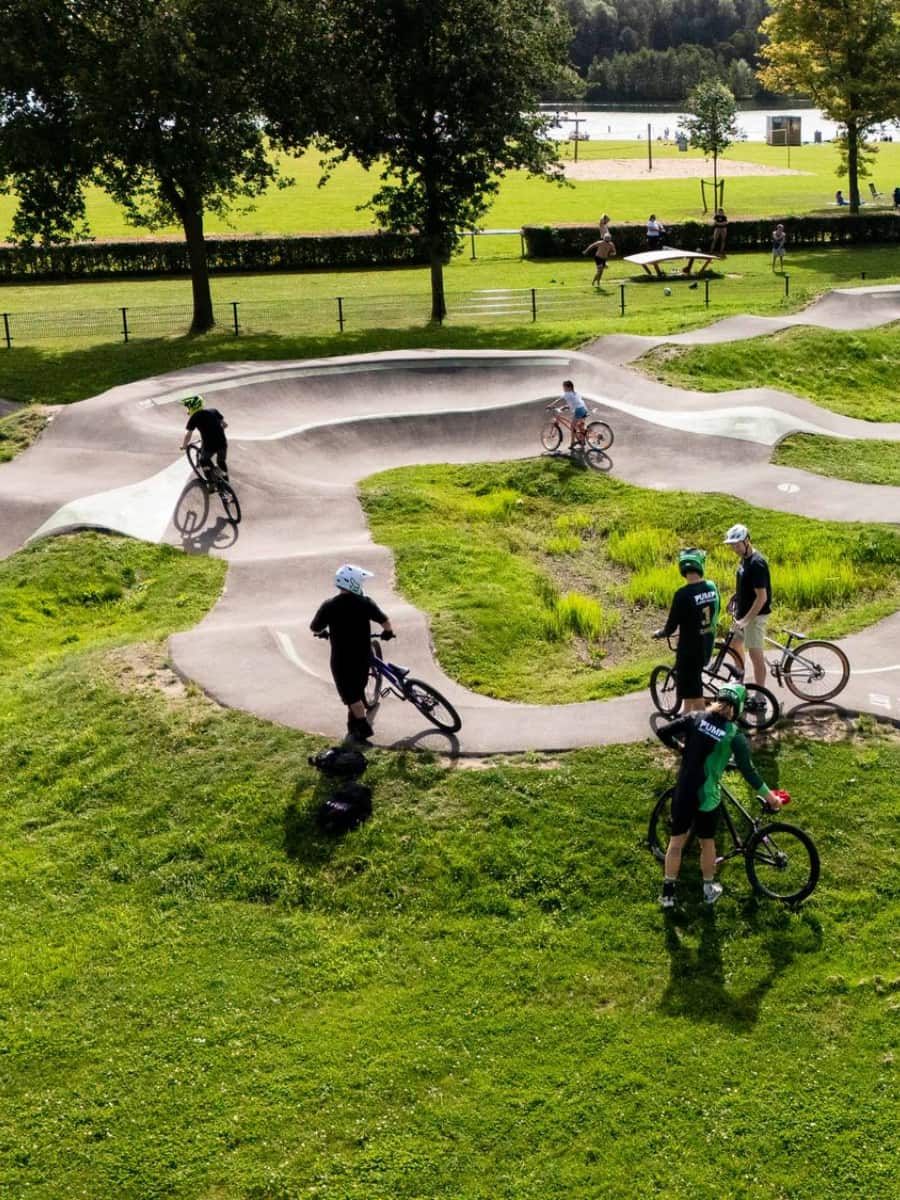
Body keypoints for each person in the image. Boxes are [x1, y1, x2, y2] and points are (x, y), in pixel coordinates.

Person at [656, 683, 784, 908]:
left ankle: (667, 896)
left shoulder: (695, 717)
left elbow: (662, 732)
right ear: (740, 707)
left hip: (683, 791)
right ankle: (708, 889)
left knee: (675, 843)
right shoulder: (734, 735)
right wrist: (770, 797)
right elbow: (749, 771)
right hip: (707, 796)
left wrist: (680, 747)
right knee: (707, 843)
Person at [310, 564, 394, 741]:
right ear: (354, 583)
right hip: (363, 656)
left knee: (351, 696)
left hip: (341, 659)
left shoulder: (329, 606)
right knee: (357, 688)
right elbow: (384, 621)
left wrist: (322, 633)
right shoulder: (365, 603)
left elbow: (315, 627)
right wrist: (387, 632)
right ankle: (353, 725)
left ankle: (363, 727)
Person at [653, 549, 720, 714]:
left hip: (689, 650)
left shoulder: (682, 595)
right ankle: (686, 715)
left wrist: (661, 633)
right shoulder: (712, 587)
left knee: (695, 690)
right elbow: (717, 610)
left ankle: (700, 724)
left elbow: (671, 626)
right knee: (689, 686)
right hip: (707, 643)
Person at [723, 523, 771, 688]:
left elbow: (761, 597)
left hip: (755, 616)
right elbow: (747, 585)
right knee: (734, 644)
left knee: (755, 656)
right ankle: (739, 678)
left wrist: (745, 621)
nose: (735, 548)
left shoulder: (757, 563)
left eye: (737, 544)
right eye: (732, 545)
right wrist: (736, 596)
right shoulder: (745, 559)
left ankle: (760, 694)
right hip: (743, 614)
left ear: (747, 541)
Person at [180, 394, 228, 482]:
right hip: (222, 442)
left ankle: (211, 482)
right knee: (221, 461)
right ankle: (226, 481)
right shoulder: (214, 411)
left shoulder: (194, 417)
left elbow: (188, 434)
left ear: (193, 407)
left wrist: (184, 445)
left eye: (188, 407)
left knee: (203, 460)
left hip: (210, 445)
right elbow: (225, 425)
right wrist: (216, 431)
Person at [555, 379, 589, 450]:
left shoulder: (567, 394)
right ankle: (582, 441)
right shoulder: (575, 393)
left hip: (579, 410)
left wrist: (550, 405)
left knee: (572, 426)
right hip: (584, 409)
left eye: (564, 387)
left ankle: (573, 443)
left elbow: (559, 400)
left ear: (569, 387)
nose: (564, 389)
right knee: (580, 426)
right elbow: (575, 403)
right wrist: (565, 407)